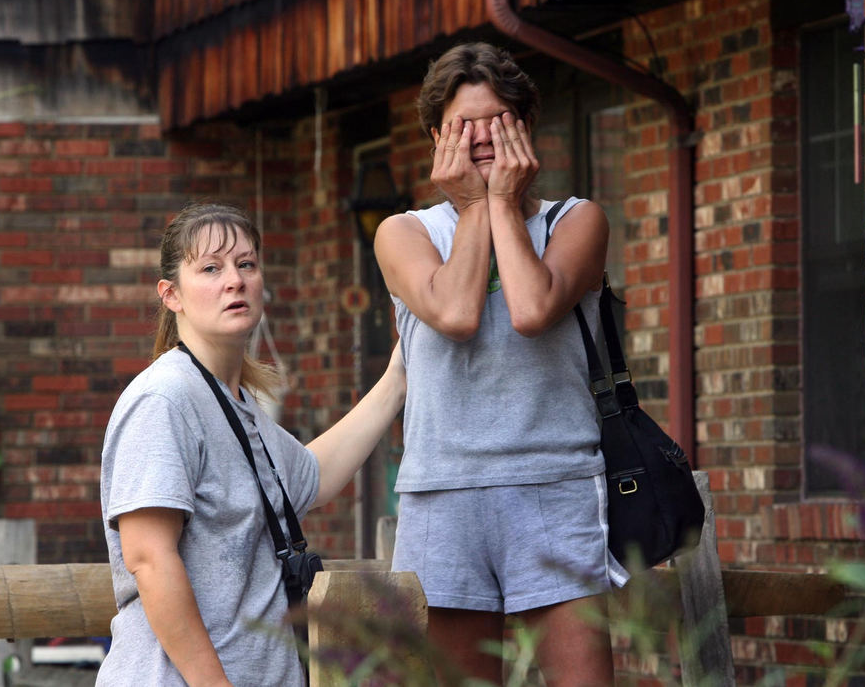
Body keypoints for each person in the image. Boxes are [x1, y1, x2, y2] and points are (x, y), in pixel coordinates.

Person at [373, 42, 628, 686]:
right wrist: (473, 208)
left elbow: (533, 306)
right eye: (462, 124)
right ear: (436, 138)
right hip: (442, 495)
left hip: (556, 487)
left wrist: (500, 204)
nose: (482, 137)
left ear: (525, 127)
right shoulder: (404, 233)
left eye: (497, 119)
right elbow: (456, 313)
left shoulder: (578, 220)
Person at [97, 203, 406, 687]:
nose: (235, 280)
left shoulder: (233, 402)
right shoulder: (165, 400)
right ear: (171, 294)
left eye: (246, 264)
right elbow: (149, 558)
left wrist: (397, 379)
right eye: (210, 268)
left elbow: (313, 476)